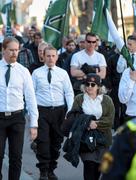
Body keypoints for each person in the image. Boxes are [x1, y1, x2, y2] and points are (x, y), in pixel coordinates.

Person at [32, 45, 74, 180]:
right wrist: (32, 112)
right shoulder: (36, 73)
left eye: (53, 56)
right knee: (43, 142)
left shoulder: (62, 73)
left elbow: (68, 92)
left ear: (57, 57)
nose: (50, 58)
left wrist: (70, 110)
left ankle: (51, 169)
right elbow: (31, 93)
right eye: (48, 56)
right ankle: (43, 170)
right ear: (43, 56)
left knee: (56, 143)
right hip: (42, 111)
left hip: (59, 112)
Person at [0, 37, 38, 180]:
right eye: (11, 50)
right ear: (3, 50)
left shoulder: (23, 71)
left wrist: (34, 124)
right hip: (0, 117)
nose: (14, 53)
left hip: (17, 118)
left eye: (16, 50)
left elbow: (30, 98)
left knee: (16, 157)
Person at [63, 73, 114, 180]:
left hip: (103, 141)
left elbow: (110, 120)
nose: (89, 87)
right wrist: (86, 122)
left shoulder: (107, 100)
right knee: (89, 167)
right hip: (85, 140)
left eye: (93, 84)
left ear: (99, 87)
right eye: (87, 84)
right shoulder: (79, 99)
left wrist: (96, 124)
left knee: (98, 170)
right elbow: (73, 116)